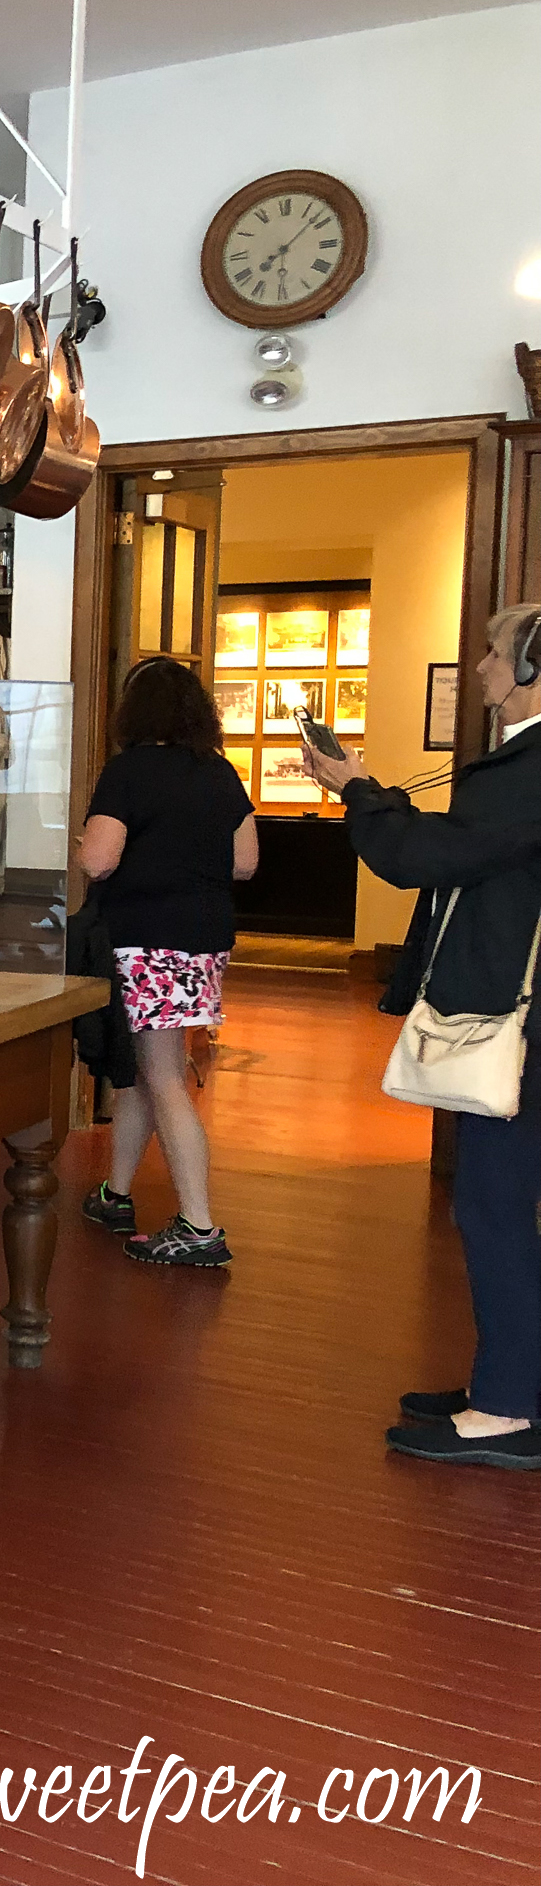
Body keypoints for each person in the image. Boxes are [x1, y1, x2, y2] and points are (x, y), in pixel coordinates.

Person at [306, 604, 541, 1470]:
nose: (480, 668)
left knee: (491, 1205)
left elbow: (426, 859)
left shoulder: (532, 765)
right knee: (501, 1203)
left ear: (530, 668)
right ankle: (514, 1381)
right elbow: (457, 843)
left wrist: (355, 792)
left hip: (523, 1026)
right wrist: (371, 791)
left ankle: (510, 1405)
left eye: (492, 653)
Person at [75, 657, 259, 1266]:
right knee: (148, 1070)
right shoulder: (219, 773)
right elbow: (245, 863)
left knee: (162, 1077)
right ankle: (117, 1195)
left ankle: (200, 1227)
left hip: (145, 940)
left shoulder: (128, 771)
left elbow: (99, 861)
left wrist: (87, 845)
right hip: (203, 941)